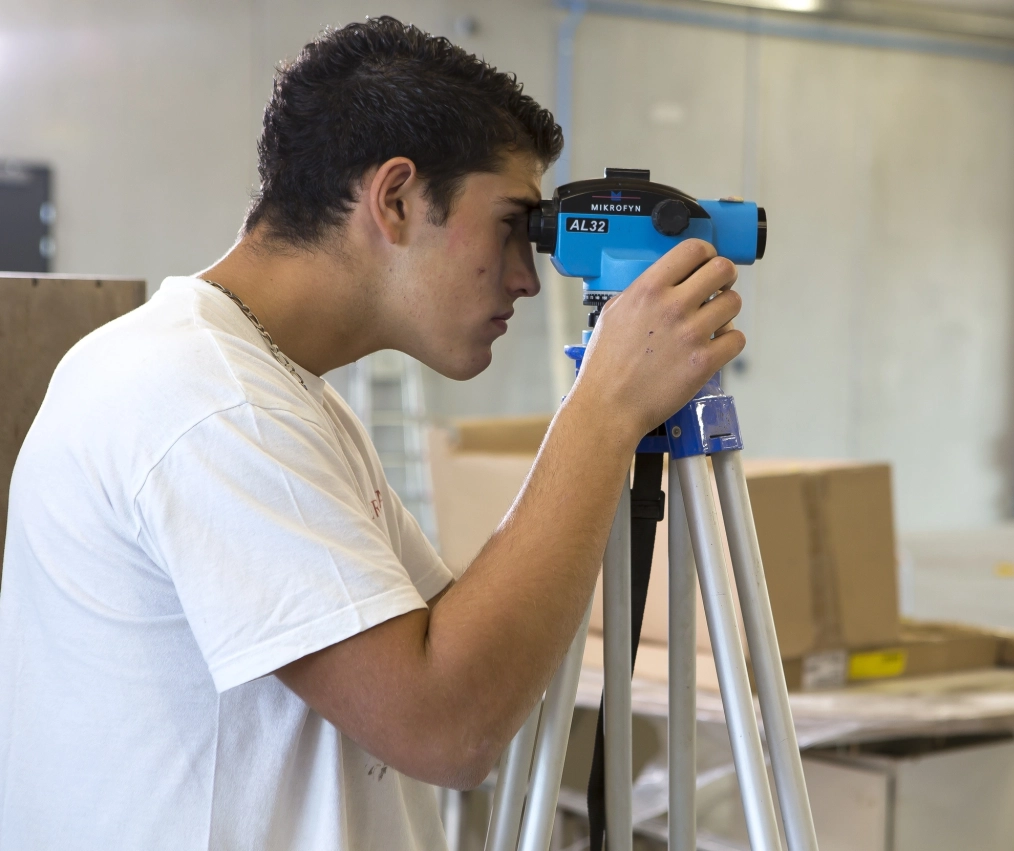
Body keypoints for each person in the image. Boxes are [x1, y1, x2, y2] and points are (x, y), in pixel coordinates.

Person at [0, 16, 744, 851]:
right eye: (512, 225)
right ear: (394, 197)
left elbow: (466, 646)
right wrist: (605, 408)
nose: (529, 279)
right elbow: (449, 724)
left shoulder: (278, 395)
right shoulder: (204, 402)